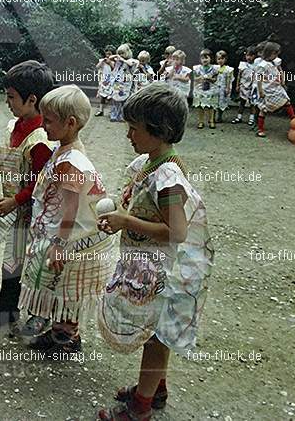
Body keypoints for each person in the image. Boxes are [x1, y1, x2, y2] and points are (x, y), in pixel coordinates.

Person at [96, 83, 213, 421]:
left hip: (167, 273)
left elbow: (177, 231)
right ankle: (155, 389)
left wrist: (125, 221)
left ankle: (140, 408)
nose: (128, 135)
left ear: (158, 130)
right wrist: (122, 219)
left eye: (134, 128)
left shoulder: (168, 178)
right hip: (154, 266)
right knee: (155, 334)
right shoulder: (152, 162)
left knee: (155, 338)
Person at [18, 85, 115, 354]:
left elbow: (71, 208)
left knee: (69, 287)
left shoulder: (71, 162)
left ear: (70, 123)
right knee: (63, 284)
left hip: (76, 239)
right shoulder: (65, 148)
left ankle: (67, 338)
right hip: (71, 235)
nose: (44, 125)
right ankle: (62, 332)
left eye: (48, 120)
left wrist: (60, 243)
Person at [0, 60, 54, 332]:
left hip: (34, 216)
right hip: (18, 214)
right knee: (12, 262)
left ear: (32, 100)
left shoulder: (41, 139)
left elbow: (39, 184)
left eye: (11, 97)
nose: (7, 101)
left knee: (36, 265)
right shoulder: (18, 125)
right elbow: (17, 162)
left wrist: (14, 201)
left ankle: (39, 314)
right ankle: (7, 312)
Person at [255, 41, 295, 137]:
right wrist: (260, 90)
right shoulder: (262, 65)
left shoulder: (275, 62)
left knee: (286, 101)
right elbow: (259, 78)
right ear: (269, 53)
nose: (276, 55)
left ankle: (294, 118)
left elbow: (280, 70)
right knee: (264, 109)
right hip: (267, 89)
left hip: (276, 87)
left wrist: (282, 81)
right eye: (275, 53)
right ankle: (260, 129)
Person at [107, 44, 139, 122]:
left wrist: (122, 59)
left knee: (124, 100)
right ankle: (114, 115)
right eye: (120, 53)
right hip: (117, 82)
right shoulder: (119, 60)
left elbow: (131, 64)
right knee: (115, 99)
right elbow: (110, 58)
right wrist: (117, 56)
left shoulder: (132, 60)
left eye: (122, 53)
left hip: (126, 84)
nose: (121, 55)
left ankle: (122, 116)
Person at [191, 49, 218, 129]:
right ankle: (201, 121)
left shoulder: (214, 69)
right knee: (200, 106)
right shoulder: (197, 68)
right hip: (200, 89)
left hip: (211, 89)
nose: (204, 60)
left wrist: (210, 78)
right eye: (202, 58)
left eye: (206, 58)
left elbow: (215, 79)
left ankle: (211, 120)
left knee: (211, 106)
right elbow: (195, 79)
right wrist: (200, 78)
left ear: (211, 59)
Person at [231, 46, 257, 125]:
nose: (249, 57)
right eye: (247, 55)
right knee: (242, 102)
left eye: (251, 55)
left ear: (255, 56)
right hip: (243, 85)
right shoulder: (242, 64)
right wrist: (237, 85)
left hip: (253, 86)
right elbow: (239, 75)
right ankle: (239, 117)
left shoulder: (256, 65)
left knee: (252, 103)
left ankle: (251, 119)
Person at [214, 50, 234, 123]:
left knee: (222, 102)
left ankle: (219, 116)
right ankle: (213, 117)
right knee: (215, 102)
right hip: (215, 87)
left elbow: (229, 79)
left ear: (225, 59)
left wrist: (228, 88)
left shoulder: (228, 69)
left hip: (223, 88)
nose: (220, 60)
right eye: (219, 59)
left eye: (222, 59)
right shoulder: (215, 68)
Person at [95, 46, 115, 117]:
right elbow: (97, 67)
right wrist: (102, 62)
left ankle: (112, 111)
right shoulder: (102, 61)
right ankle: (101, 110)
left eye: (110, 54)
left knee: (111, 97)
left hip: (111, 81)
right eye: (107, 54)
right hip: (104, 81)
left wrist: (110, 63)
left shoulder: (114, 62)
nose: (108, 56)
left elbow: (114, 69)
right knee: (102, 96)